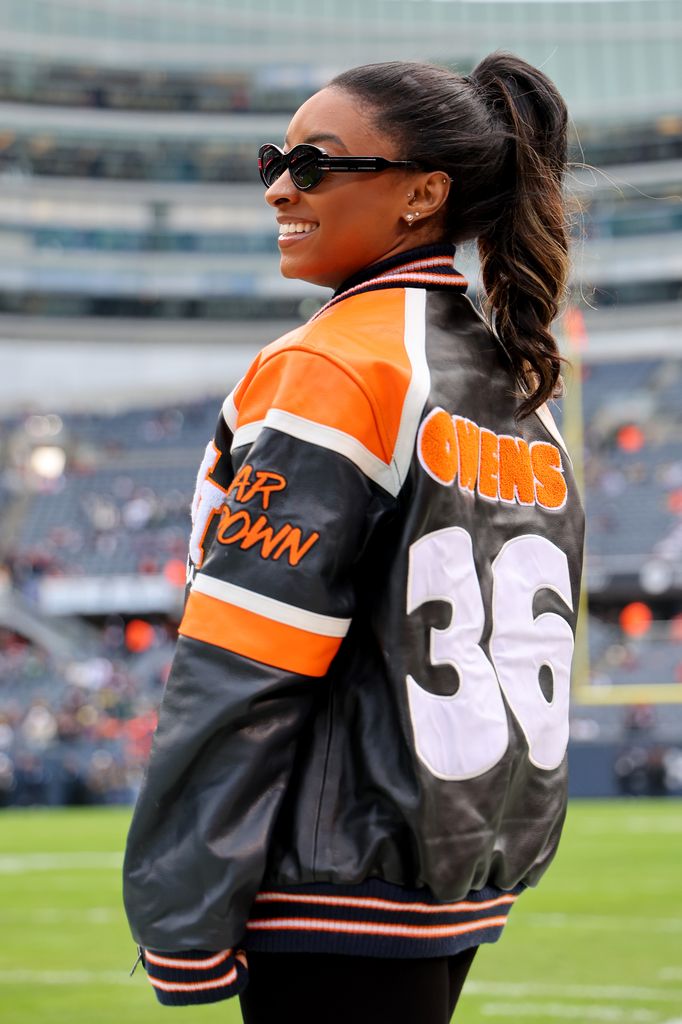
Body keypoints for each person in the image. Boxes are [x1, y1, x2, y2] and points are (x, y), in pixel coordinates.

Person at [123, 52, 584, 1023]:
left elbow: (246, 658)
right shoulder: (519, 389)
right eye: (272, 160)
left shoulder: (335, 363)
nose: (280, 187)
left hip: (333, 872)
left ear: (423, 193)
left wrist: (180, 905)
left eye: (316, 163)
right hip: (451, 863)